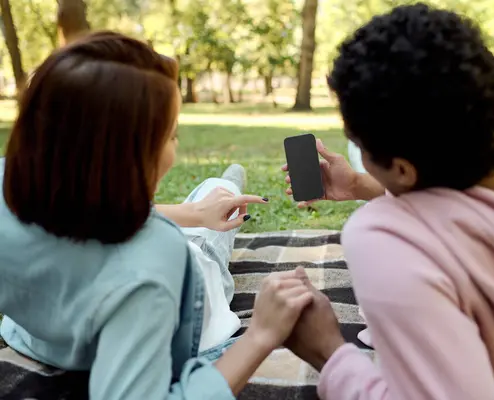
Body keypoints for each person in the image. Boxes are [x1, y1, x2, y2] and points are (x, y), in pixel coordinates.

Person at [283, 4, 494, 399]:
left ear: (402, 170)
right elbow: (473, 198)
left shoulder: (388, 242)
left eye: (359, 145)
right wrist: (364, 185)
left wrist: (328, 352)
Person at [0, 31, 315, 399]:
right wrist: (261, 334)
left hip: (36, 341)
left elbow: (83, 212)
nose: (175, 150)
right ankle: (227, 182)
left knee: (211, 203)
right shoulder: (151, 261)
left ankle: (214, 196)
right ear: (126, 157)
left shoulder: (11, 179)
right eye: (171, 135)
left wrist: (194, 214)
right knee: (217, 207)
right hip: (195, 310)